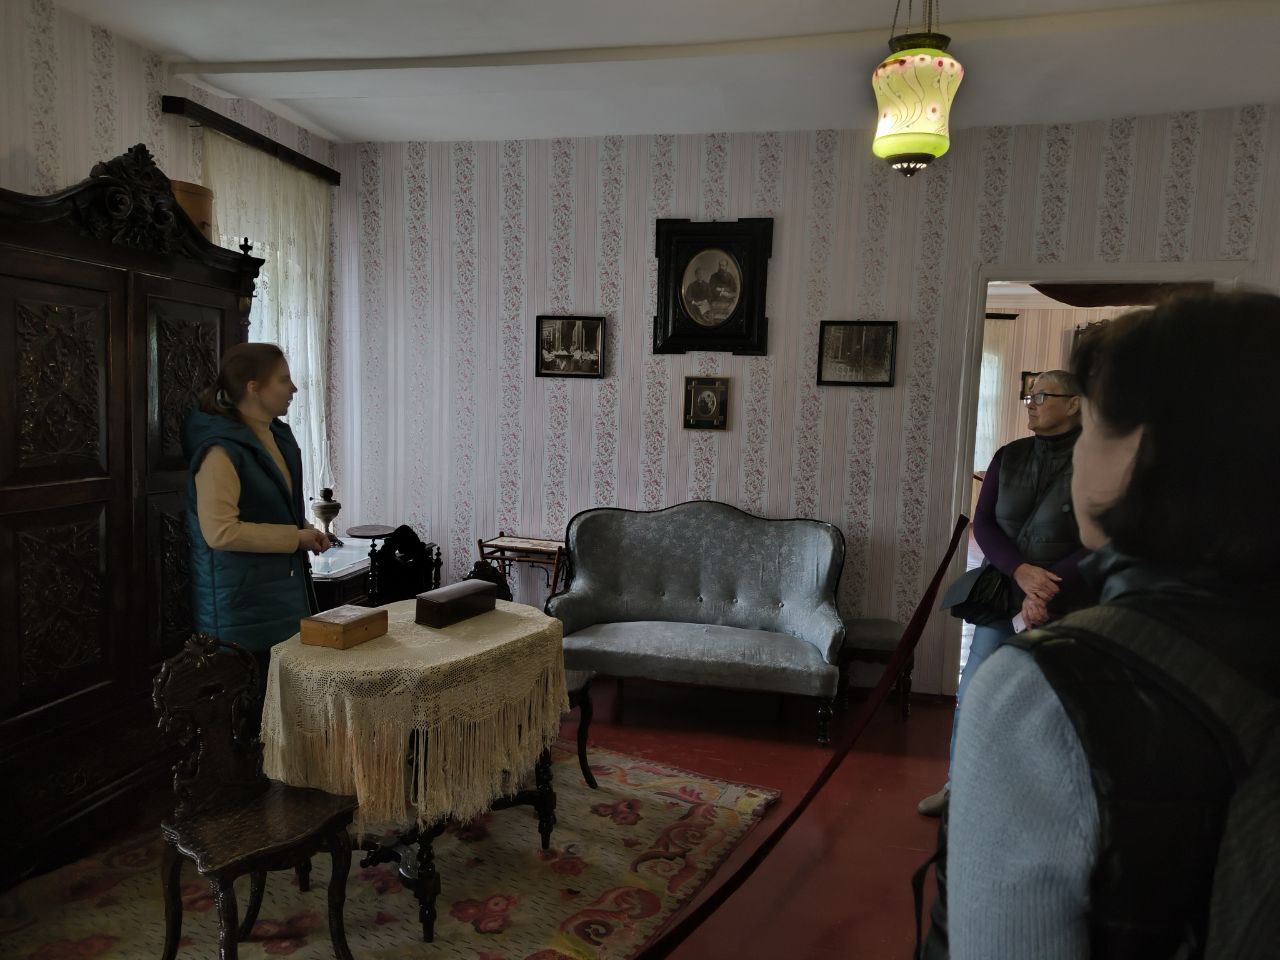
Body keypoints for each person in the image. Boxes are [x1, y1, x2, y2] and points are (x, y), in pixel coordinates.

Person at [933, 291, 1280, 958]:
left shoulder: (1043, 694)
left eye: (1093, 425)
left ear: (1137, 454)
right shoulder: (1010, 456)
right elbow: (989, 524)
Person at [919, 370, 1089, 817]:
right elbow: (985, 524)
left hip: (1069, 601)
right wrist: (1021, 571)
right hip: (1005, 594)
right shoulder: (1009, 456)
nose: (1031, 403)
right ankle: (958, 789)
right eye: (1029, 396)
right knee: (976, 690)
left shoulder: (1097, 460)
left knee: (1051, 703)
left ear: (1074, 403)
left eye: (1042, 395)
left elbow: (1103, 539)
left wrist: (1045, 587)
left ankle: (1037, 804)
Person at [182, 342, 330, 699]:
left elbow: (273, 508)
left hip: (279, 597)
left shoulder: (274, 435)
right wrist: (294, 538)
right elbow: (219, 532)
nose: (294, 388)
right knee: (254, 714)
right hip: (241, 610)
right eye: (284, 380)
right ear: (253, 388)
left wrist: (305, 529)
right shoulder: (220, 449)